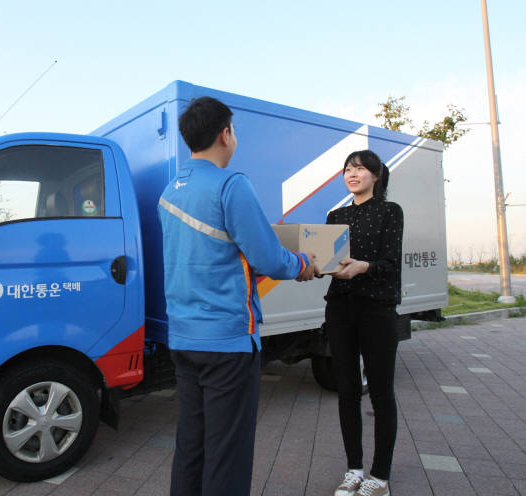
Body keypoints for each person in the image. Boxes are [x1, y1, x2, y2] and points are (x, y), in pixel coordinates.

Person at [158, 96, 319, 496]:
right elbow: (267, 258)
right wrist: (303, 264)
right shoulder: (231, 184)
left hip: (182, 337)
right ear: (225, 133)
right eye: (234, 131)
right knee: (227, 454)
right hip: (227, 340)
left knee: (191, 447)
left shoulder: (169, 193)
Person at [324, 150, 403, 496]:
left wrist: (364, 266)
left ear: (376, 174)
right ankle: (353, 469)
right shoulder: (335, 215)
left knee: (382, 393)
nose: (351, 174)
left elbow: (391, 262)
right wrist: (312, 267)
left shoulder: (390, 211)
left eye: (359, 168)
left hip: (378, 310)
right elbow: (329, 261)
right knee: (347, 391)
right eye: (347, 169)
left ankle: (380, 476)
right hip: (340, 308)